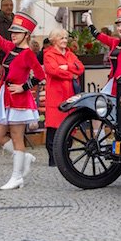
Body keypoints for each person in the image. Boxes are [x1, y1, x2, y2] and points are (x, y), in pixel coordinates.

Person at [82, 3, 121, 175]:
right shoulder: (115, 42)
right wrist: (89, 21)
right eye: (118, 25)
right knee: (98, 109)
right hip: (113, 83)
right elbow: (99, 36)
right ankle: (100, 142)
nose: (120, 28)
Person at [0, 10, 46, 189]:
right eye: (12, 32)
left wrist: (23, 87)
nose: (13, 35)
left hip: (19, 100)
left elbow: (40, 75)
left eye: (17, 32)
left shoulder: (28, 54)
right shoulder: (11, 48)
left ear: (26, 35)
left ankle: (17, 177)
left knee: (16, 136)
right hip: (5, 97)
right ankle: (23, 157)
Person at [42, 27, 85, 167]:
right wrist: (71, 74)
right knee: (53, 127)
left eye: (66, 38)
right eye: (62, 38)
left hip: (69, 95)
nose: (65, 40)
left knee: (69, 126)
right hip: (55, 95)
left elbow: (81, 68)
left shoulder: (69, 54)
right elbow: (53, 70)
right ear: (54, 40)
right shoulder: (49, 54)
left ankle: (65, 157)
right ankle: (53, 158)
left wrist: (66, 67)